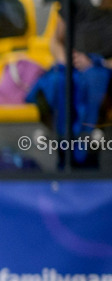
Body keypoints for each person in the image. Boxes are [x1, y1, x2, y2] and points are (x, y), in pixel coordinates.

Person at [27, 0, 112, 167]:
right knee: (57, 81)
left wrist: (96, 63)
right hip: (72, 69)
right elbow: (56, 42)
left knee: (94, 79)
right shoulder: (74, 4)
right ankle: (62, 143)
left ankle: (84, 147)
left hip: (102, 71)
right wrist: (67, 60)